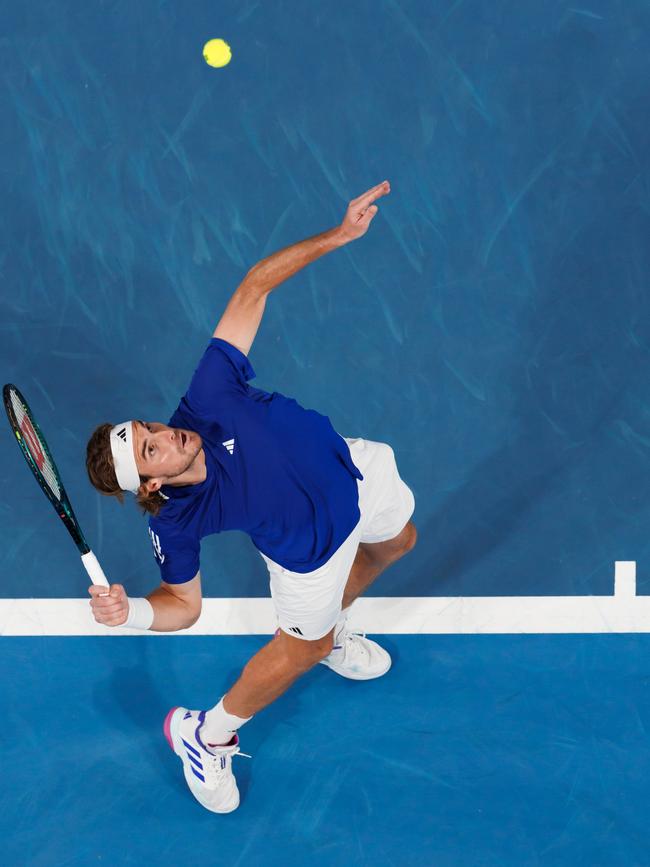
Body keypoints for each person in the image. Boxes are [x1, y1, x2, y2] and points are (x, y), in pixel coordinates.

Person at [85, 180, 417, 813]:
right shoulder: (178, 519)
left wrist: (339, 233)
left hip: (356, 473)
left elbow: (253, 287)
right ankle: (205, 735)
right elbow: (183, 605)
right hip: (308, 555)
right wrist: (130, 614)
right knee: (303, 647)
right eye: (152, 449)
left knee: (399, 540)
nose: (164, 433)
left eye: (150, 427)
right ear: (151, 485)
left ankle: (331, 629)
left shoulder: (208, 395)